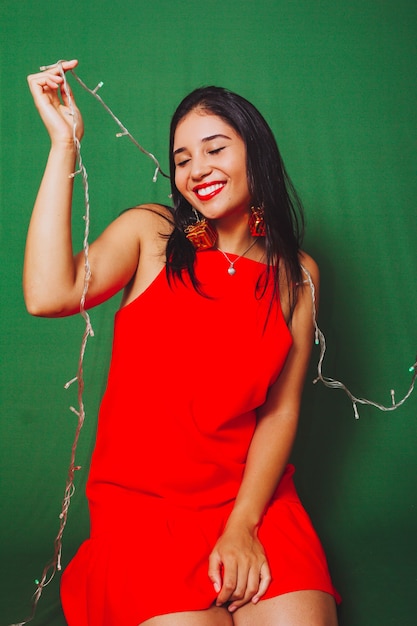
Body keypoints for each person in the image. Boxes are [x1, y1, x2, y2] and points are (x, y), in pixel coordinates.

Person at [25, 59, 340, 626]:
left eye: (216, 148)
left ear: (256, 155)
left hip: (253, 502)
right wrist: (63, 146)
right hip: (144, 515)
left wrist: (244, 524)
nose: (198, 168)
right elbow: (49, 293)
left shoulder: (300, 275)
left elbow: (280, 411)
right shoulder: (152, 234)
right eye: (182, 158)